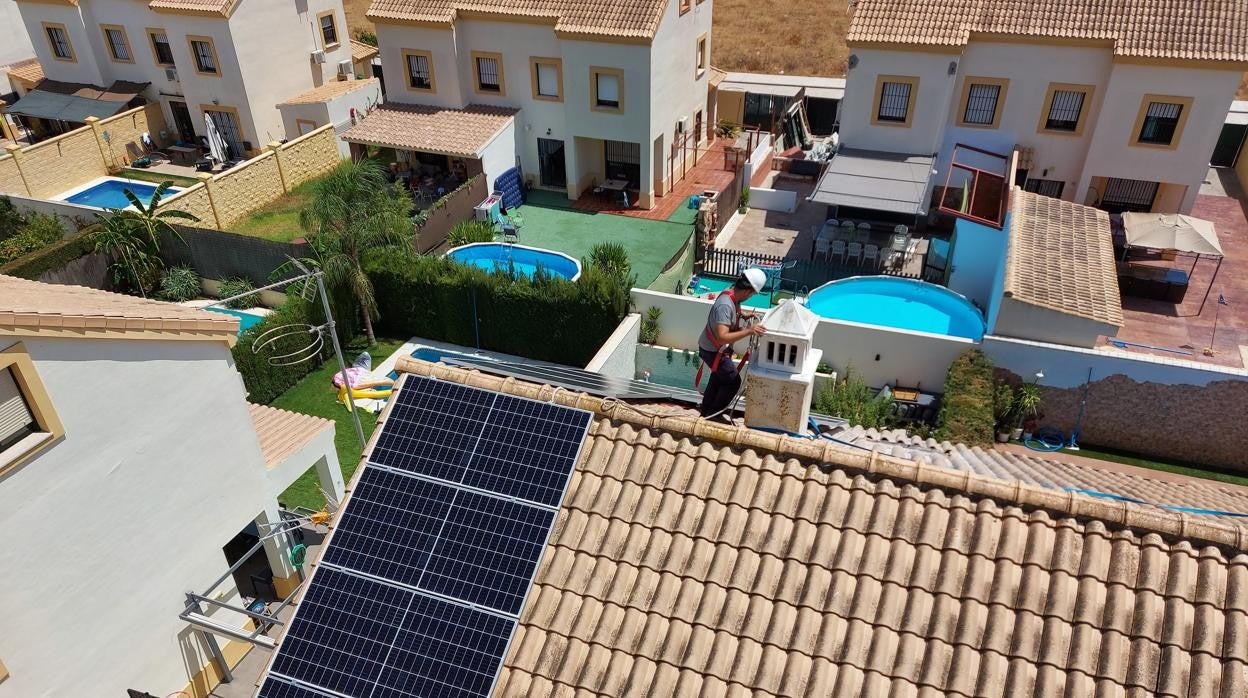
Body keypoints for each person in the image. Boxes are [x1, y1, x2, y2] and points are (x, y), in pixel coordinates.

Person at [698, 268, 767, 419]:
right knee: (733, 381)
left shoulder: (731, 295)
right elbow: (722, 337)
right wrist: (750, 330)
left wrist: (743, 315)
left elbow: (732, 311)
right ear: (748, 291)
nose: (751, 297)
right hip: (713, 350)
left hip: (711, 347)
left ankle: (706, 411)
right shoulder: (725, 305)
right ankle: (714, 414)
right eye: (753, 294)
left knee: (718, 377)